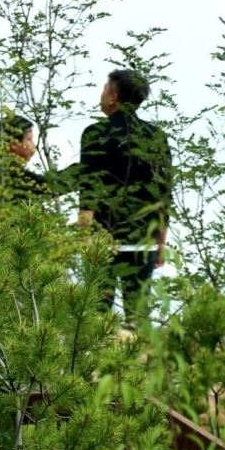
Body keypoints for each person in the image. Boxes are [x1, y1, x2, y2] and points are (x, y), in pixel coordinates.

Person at [77, 69, 174, 324]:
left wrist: (84, 238)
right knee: (137, 318)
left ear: (113, 97)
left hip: (102, 240)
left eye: (104, 89)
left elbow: (88, 193)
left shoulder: (95, 134)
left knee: (96, 318)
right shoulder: (156, 137)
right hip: (143, 241)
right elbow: (163, 196)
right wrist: (161, 243)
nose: (101, 94)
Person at [0, 114, 76, 207]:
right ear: (13, 143)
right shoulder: (9, 176)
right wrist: (81, 170)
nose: (34, 145)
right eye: (29, 139)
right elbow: (47, 185)